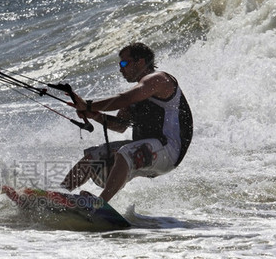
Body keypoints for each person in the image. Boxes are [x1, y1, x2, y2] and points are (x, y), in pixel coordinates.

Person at [60, 42, 192, 203]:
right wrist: (93, 114)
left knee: (126, 152)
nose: (121, 69)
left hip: (169, 150)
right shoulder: (138, 94)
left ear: (141, 62)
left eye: (124, 63)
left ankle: (100, 205)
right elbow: (120, 126)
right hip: (148, 151)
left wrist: (88, 105)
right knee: (93, 156)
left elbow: (124, 98)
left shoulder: (159, 79)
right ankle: (59, 195)